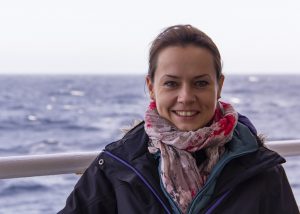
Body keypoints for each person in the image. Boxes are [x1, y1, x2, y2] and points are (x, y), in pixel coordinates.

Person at [58, 25, 299, 214]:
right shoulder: (117, 167)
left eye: (201, 83)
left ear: (220, 85)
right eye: (172, 83)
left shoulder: (260, 167)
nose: (186, 97)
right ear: (151, 87)